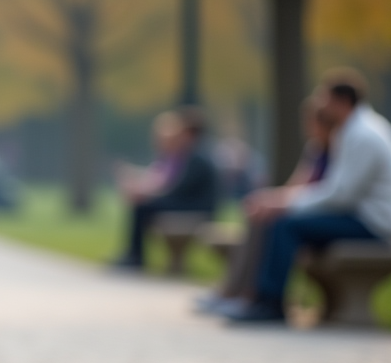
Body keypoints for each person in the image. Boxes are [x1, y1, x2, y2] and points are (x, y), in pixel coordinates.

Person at [223, 70, 391, 323]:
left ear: (341, 102)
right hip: (362, 215)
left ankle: (270, 303)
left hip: (374, 223)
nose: (321, 106)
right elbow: (336, 191)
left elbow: (341, 195)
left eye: (325, 100)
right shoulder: (356, 129)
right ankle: (257, 297)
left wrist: (287, 205)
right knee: (283, 221)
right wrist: (282, 202)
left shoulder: (362, 135)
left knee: (285, 226)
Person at [197, 96, 336, 315]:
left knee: (277, 223)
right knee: (258, 213)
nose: (307, 128)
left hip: (321, 211)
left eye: (310, 122)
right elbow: (297, 184)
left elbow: (329, 193)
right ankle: (233, 292)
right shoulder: (316, 149)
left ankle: (255, 296)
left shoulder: (339, 148)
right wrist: (268, 199)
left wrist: (280, 205)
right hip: (309, 208)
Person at [112, 106, 217, 270]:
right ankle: (134, 254)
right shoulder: (189, 156)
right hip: (189, 205)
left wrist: (149, 196)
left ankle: (136, 256)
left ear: (189, 134)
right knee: (142, 205)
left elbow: (178, 189)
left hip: (197, 209)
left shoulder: (197, 159)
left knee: (143, 207)